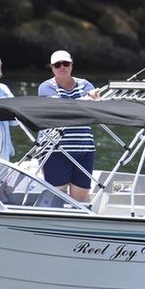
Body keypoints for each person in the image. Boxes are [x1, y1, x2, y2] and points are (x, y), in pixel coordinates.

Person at [38, 50, 100, 203]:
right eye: (57, 65)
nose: (62, 67)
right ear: (52, 67)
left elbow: (92, 111)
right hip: (55, 150)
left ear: (71, 65)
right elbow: (60, 108)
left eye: (66, 63)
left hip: (84, 148)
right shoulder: (46, 87)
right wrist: (85, 101)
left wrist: (92, 101)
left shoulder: (86, 85)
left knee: (81, 197)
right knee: (57, 195)